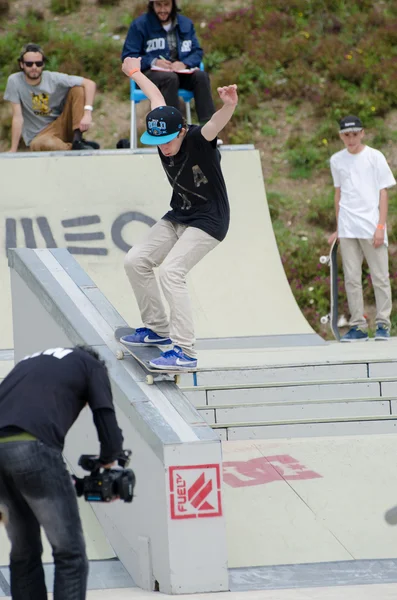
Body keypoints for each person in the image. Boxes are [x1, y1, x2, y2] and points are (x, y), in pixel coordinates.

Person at [119, 56, 237, 370]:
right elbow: (156, 97)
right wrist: (134, 72)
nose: (164, 149)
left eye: (168, 142)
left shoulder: (199, 139)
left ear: (181, 131)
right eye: (158, 144)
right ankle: (157, 329)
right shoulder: (162, 126)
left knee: (172, 272)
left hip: (209, 220)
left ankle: (184, 351)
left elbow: (215, 124)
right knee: (135, 260)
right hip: (179, 214)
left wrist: (228, 105)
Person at [0, 345, 125, 600]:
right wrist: (110, 459)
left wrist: (75, 483)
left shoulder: (29, 364)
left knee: (24, 553)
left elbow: (31, 470)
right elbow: (105, 416)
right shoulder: (92, 365)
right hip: (35, 448)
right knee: (70, 554)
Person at [328, 115, 396, 342]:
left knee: (380, 277)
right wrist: (338, 228)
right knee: (352, 279)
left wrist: (380, 226)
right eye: (346, 135)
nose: (351, 138)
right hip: (348, 228)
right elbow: (339, 193)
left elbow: (383, 192)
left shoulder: (374, 157)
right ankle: (358, 325)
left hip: (371, 226)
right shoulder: (336, 160)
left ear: (362, 133)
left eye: (355, 134)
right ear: (341, 136)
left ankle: (383, 325)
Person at [121, 0, 215, 125]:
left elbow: (197, 52)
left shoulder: (186, 23)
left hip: (181, 72)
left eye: (166, 5)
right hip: (151, 76)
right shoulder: (139, 25)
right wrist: (154, 62)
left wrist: (185, 64)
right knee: (170, 78)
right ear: (152, 5)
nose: (162, 9)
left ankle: (209, 131)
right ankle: (174, 131)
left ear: (173, 5)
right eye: (158, 5)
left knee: (201, 76)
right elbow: (129, 56)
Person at [4, 43, 99, 152]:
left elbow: (90, 84)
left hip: (60, 125)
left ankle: (78, 140)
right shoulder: (14, 81)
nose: (34, 67)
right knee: (42, 144)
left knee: (78, 88)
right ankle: (76, 149)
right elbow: (17, 117)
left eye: (38, 63)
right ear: (21, 64)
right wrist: (13, 149)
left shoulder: (53, 78)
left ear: (43, 64)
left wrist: (87, 113)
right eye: (29, 64)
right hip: (39, 136)